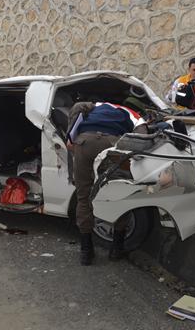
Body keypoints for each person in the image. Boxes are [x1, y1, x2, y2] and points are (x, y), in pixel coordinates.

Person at [66, 100, 147, 265]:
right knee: (119, 194)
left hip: (84, 142)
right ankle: (116, 250)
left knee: (84, 196)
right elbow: (141, 136)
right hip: (111, 145)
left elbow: (77, 108)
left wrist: (70, 137)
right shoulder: (133, 114)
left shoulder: (95, 105)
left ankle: (86, 252)